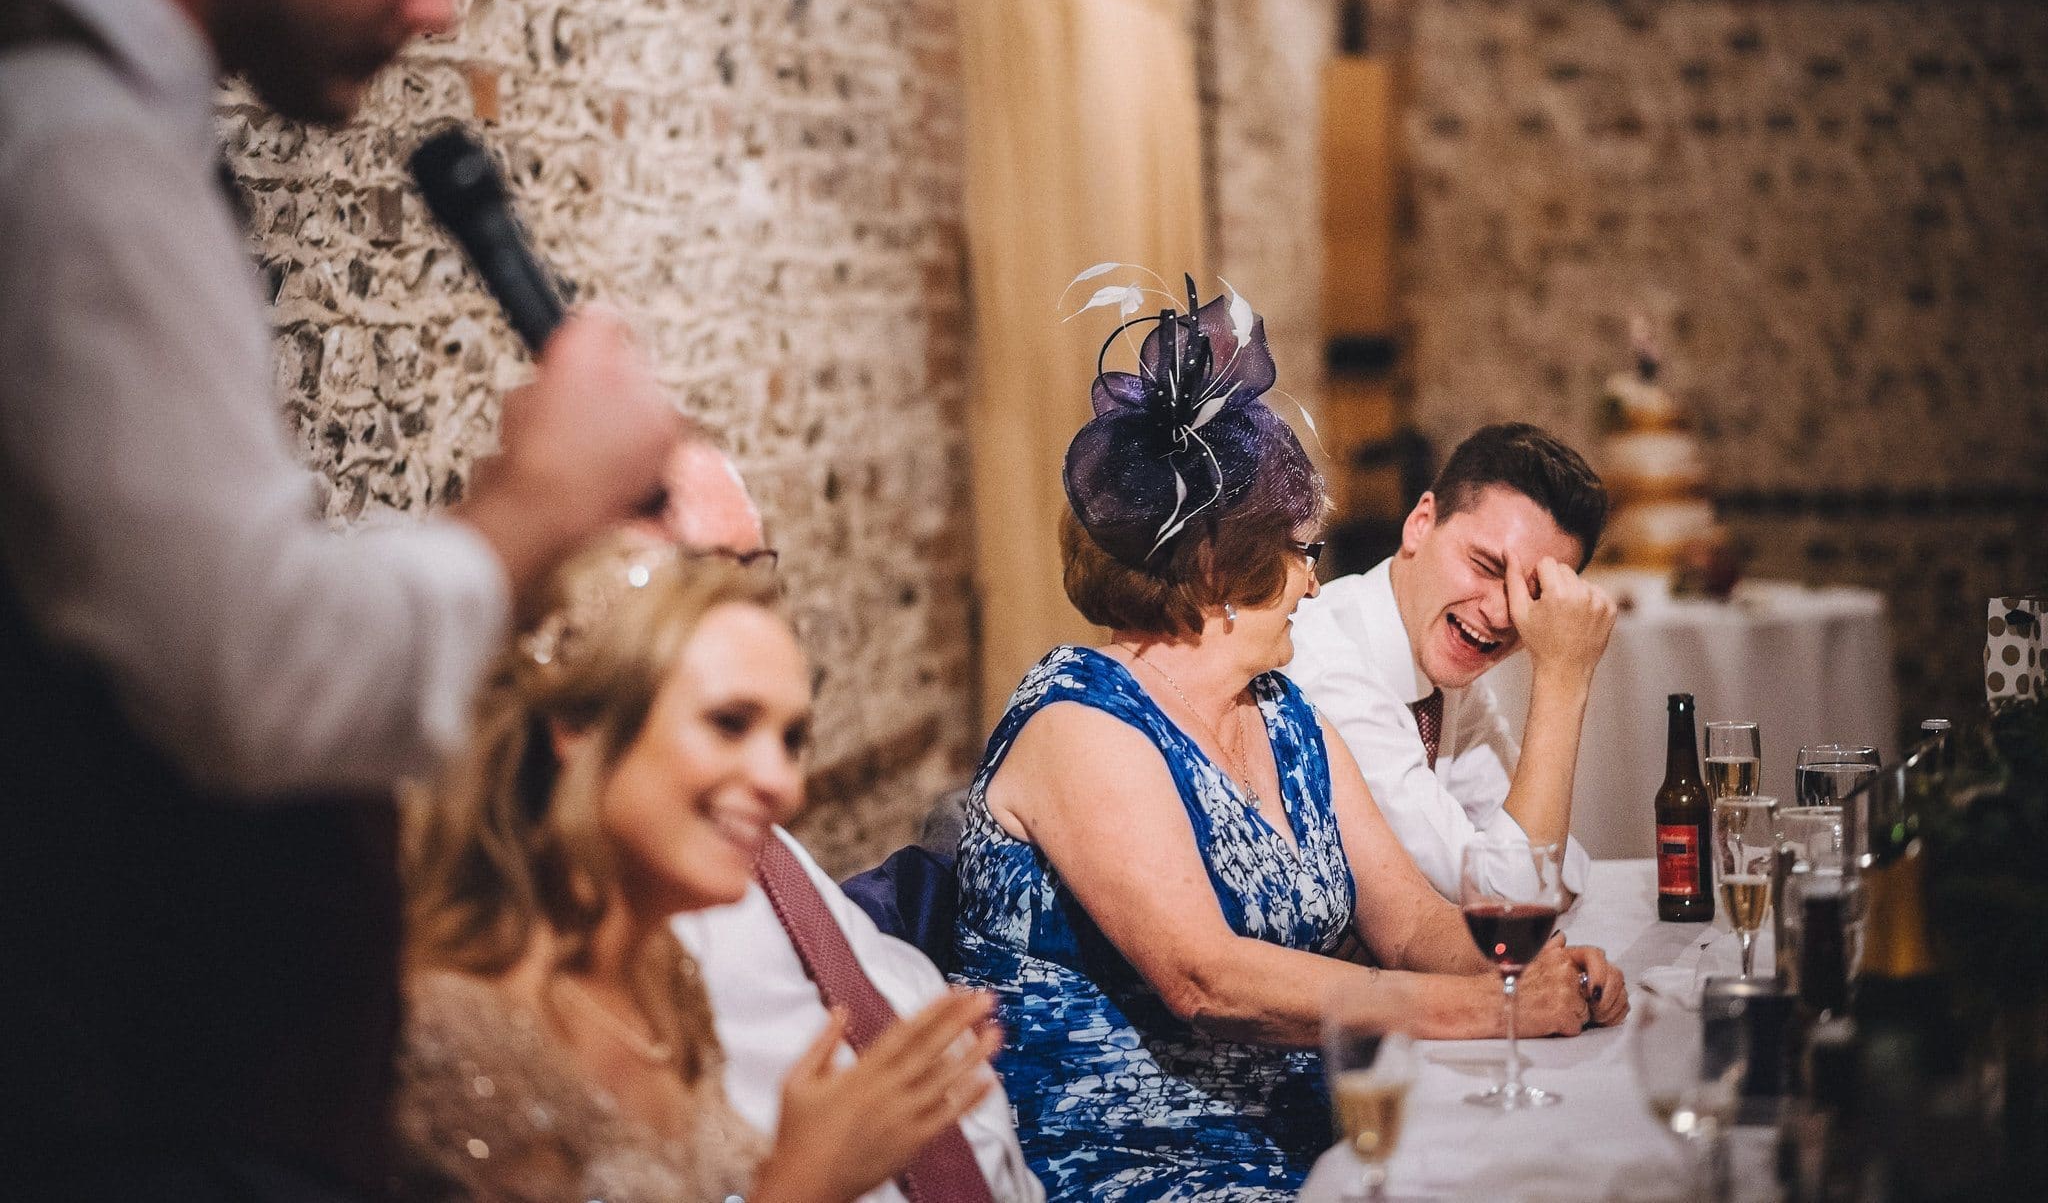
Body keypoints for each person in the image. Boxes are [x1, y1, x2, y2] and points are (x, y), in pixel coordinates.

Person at [0, 0, 676, 1195]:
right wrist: (529, 504)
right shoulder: (74, 152)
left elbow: (166, 602)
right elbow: (257, 676)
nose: (438, 4)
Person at [951, 283, 1628, 1202]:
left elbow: (1414, 921)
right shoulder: (1081, 721)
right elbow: (1207, 980)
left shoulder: (1282, 712)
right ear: (1216, 568)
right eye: (1303, 552)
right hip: (1133, 1165)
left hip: (1311, 1138)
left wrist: (1525, 968)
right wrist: (1486, 1007)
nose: (1317, 584)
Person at [401, 537, 1006, 1202]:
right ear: (581, 726)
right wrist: (801, 1182)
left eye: (791, 739)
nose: (783, 784)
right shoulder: (450, 1033)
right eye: (729, 722)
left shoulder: (664, 976)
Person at [1283, 423, 1615, 902]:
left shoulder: (1441, 668)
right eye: (1485, 565)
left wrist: (1522, 873)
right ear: (1420, 524)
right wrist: (1564, 678)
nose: (1502, 614)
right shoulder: (1333, 671)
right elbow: (1509, 897)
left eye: (1532, 593)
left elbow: (1552, 867)